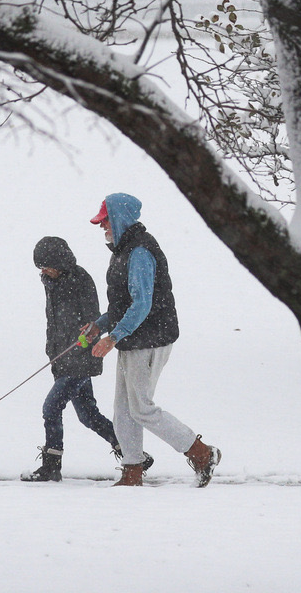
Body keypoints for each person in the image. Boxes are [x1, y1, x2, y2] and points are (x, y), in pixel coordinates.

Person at [86, 193, 221, 487]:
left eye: (104, 220)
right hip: (134, 339)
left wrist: (113, 337)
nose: (101, 226)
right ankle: (132, 470)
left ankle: (201, 453)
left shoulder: (140, 252)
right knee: (123, 410)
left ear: (119, 218)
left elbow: (142, 304)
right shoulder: (122, 250)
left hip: (150, 339)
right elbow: (123, 303)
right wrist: (99, 326)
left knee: (141, 408)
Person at [22, 236, 152, 482]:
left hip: (80, 358)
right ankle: (132, 453)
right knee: (88, 415)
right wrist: (54, 352)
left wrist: (80, 346)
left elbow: (92, 321)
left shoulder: (79, 280)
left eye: (46, 265)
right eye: (40, 267)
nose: (43, 271)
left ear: (59, 261)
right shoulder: (51, 282)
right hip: (62, 359)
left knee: (51, 408)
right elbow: (56, 322)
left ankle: (52, 466)